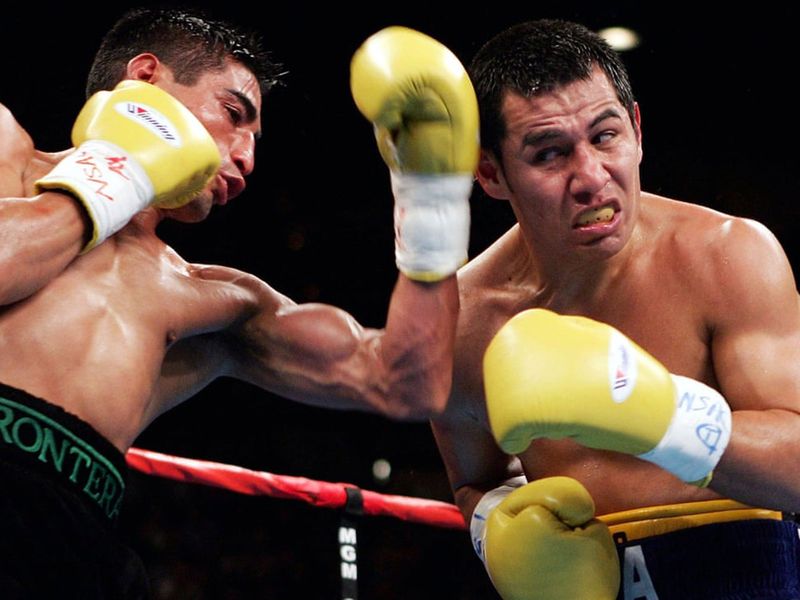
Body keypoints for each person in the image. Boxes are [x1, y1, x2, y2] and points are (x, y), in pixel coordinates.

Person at [0, 7, 478, 598]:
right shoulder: (8, 153)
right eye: (233, 116)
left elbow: (407, 382)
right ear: (145, 77)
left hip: (74, 548)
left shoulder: (217, 299)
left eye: (254, 138)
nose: (248, 158)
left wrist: (431, 199)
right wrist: (118, 175)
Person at [430, 18, 800, 600]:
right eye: (550, 153)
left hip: (747, 570)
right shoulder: (462, 320)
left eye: (605, 137)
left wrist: (662, 417)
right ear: (490, 173)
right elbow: (475, 482)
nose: (591, 178)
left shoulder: (728, 256)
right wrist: (496, 529)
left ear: (637, 129)